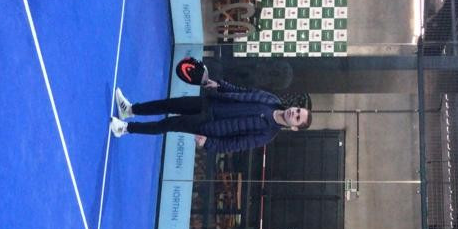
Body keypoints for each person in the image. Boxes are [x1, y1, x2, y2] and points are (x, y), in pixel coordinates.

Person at [110, 76, 311, 153]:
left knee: (168, 124)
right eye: (297, 110)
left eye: (297, 117)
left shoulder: (267, 135)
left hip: (208, 124)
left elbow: (235, 145)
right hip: (211, 102)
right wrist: (220, 86)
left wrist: (209, 144)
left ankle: (126, 128)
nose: (294, 112)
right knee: (168, 104)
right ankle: (130, 110)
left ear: (294, 127)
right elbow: (242, 91)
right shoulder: (271, 99)